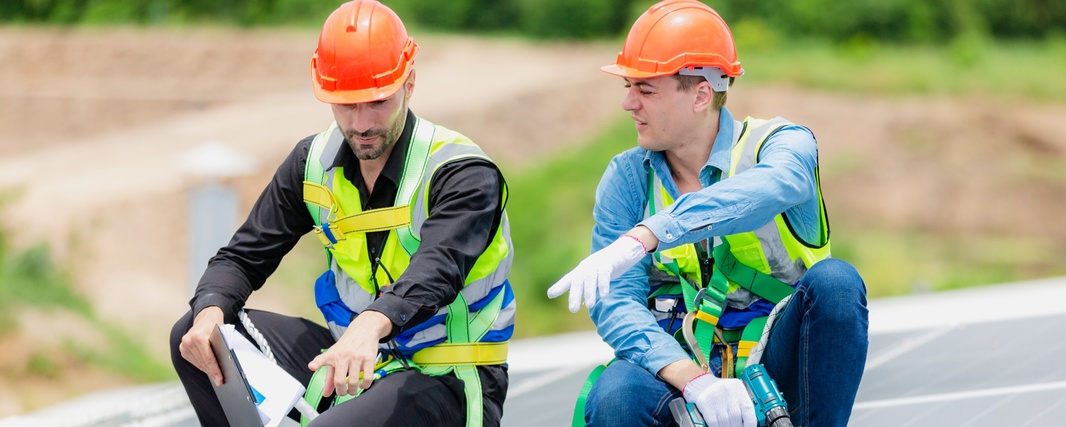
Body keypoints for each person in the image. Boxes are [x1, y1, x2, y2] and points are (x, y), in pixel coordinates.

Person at [170, 1, 515, 426]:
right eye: (346, 105)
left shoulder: (462, 172)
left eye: (377, 102)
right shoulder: (311, 163)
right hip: (353, 364)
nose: (362, 123)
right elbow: (243, 257)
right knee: (197, 338)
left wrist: (370, 327)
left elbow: (436, 271)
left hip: (446, 377)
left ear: (409, 82)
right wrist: (209, 311)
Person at [546, 1, 868, 426]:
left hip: (778, 347)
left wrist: (651, 232)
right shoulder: (627, 177)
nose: (628, 103)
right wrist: (695, 381)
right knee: (616, 398)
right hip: (681, 352)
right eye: (628, 86)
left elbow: (777, 184)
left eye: (645, 89)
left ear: (700, 94)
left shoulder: (782, 145)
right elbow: (618, 303)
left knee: (837, 284)